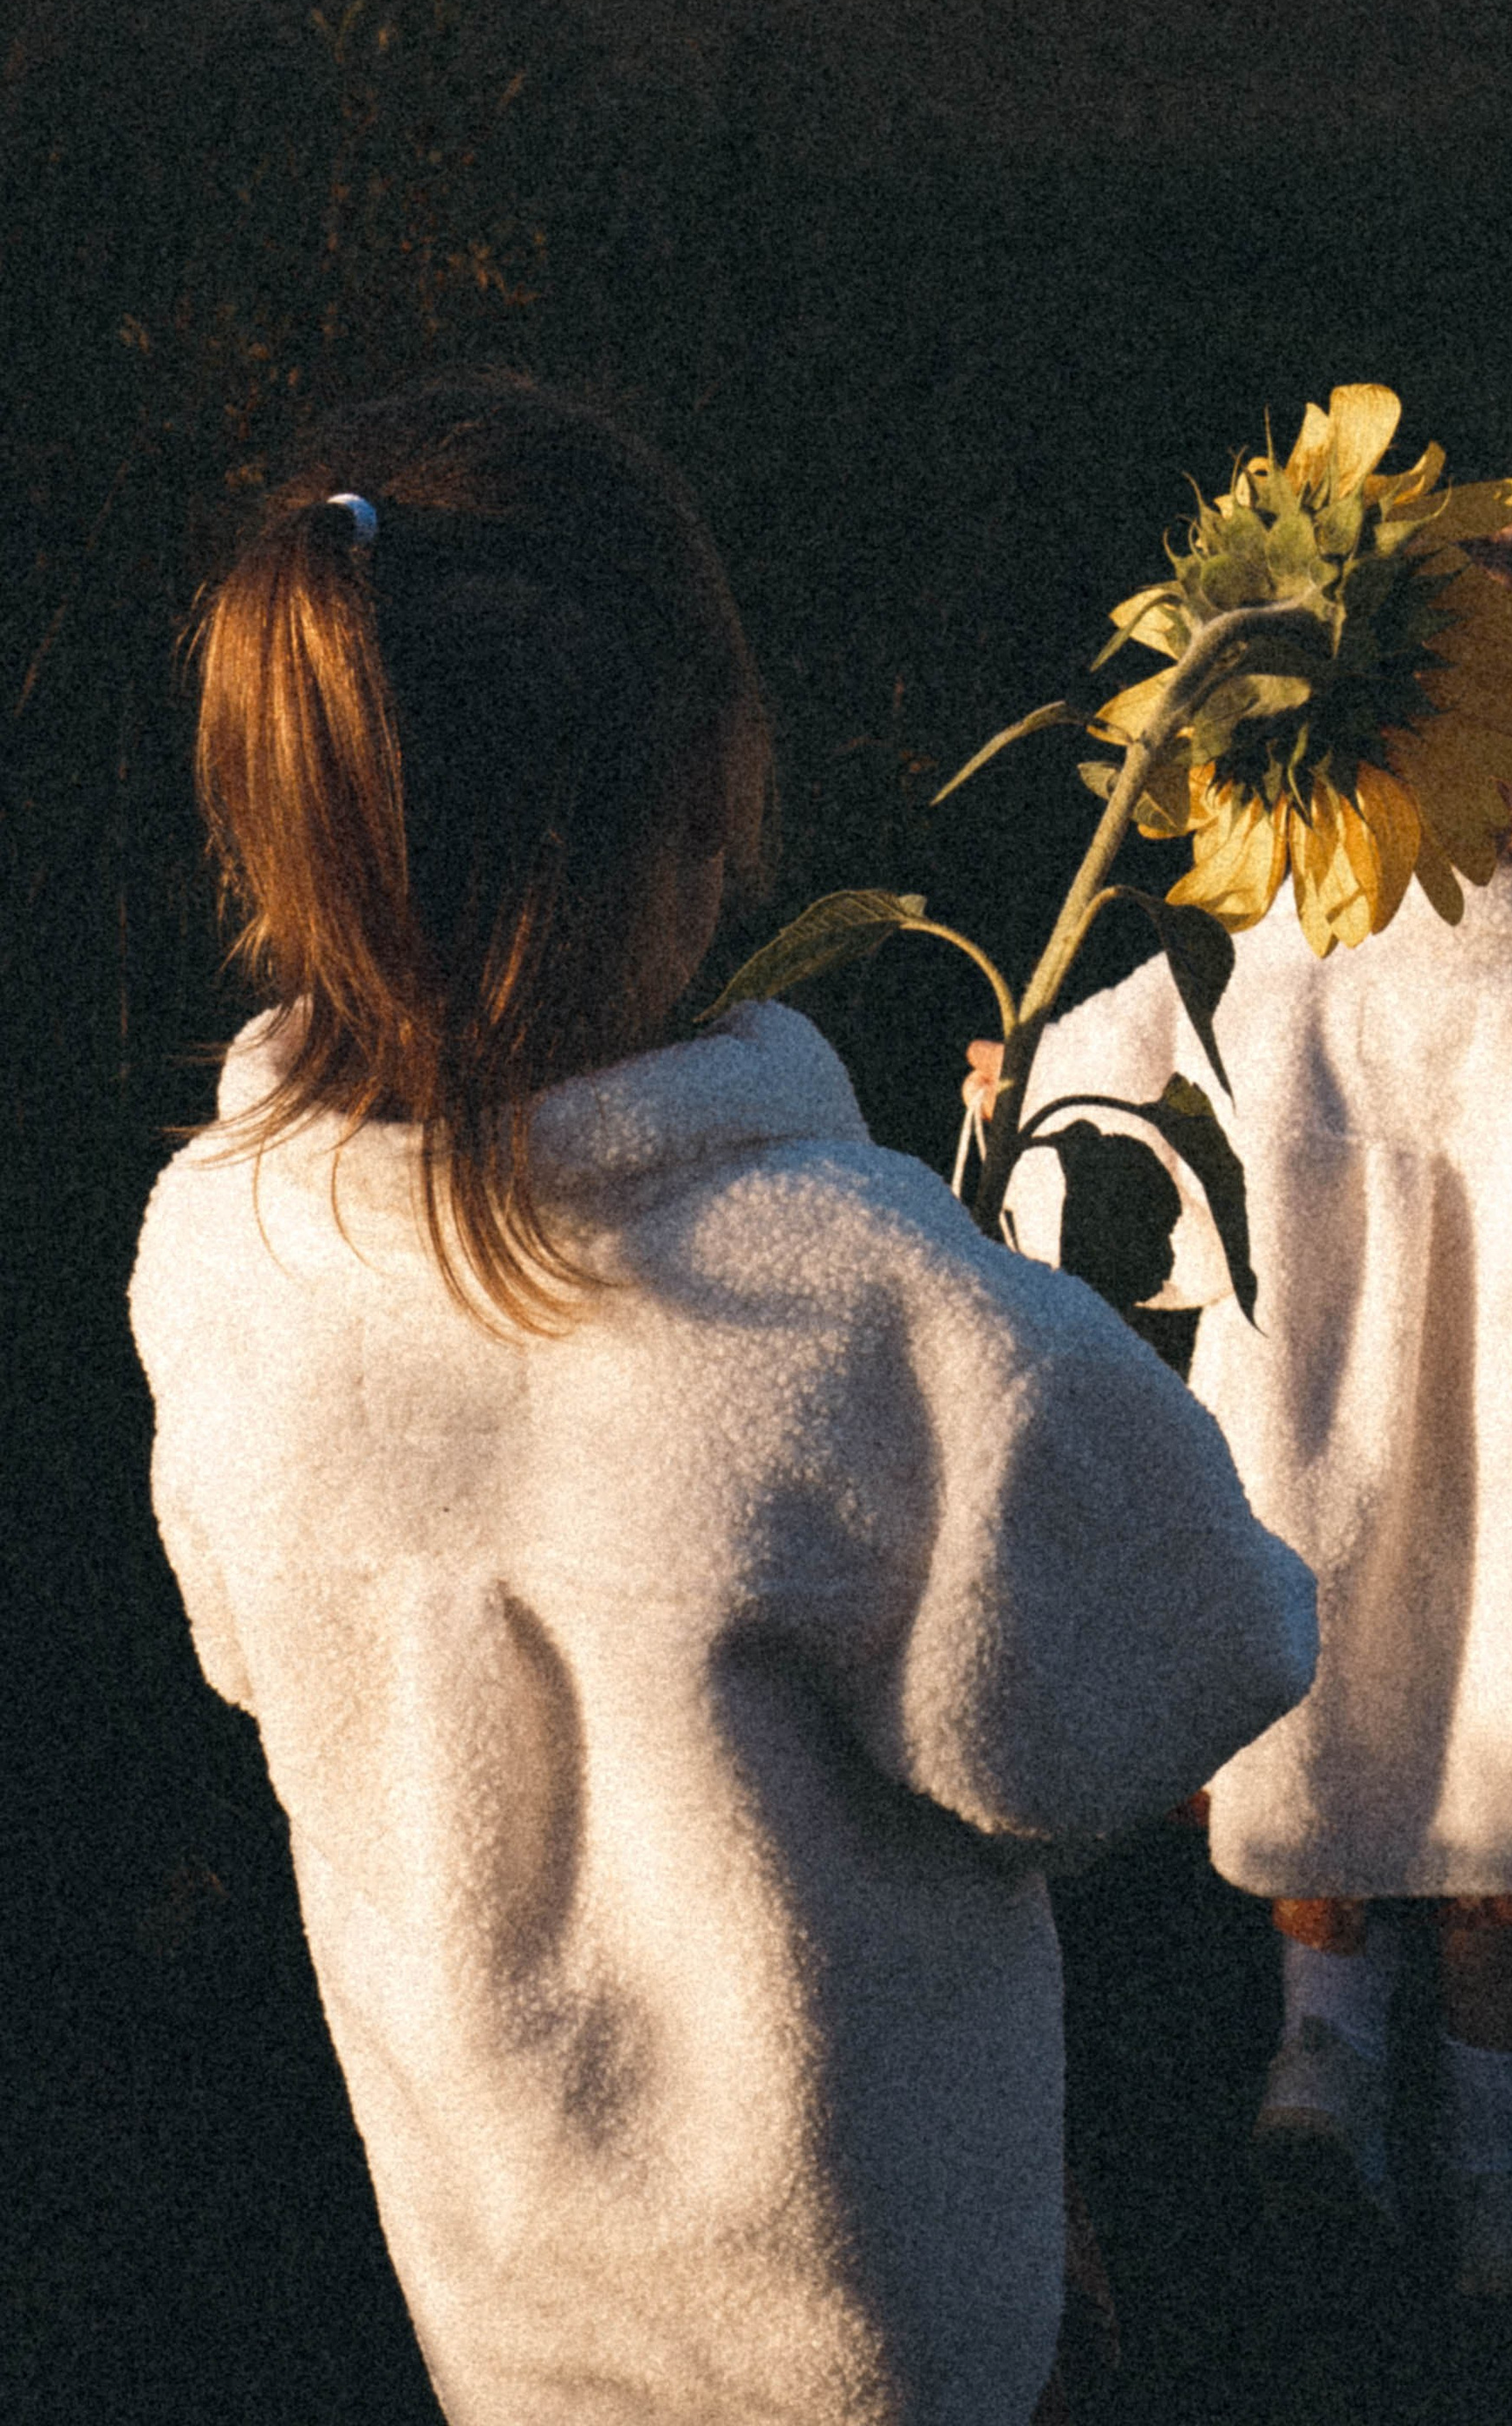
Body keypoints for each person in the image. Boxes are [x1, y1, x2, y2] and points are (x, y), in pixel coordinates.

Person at [130, 372, 1317, 2426]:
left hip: (506, 2306)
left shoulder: (217, 1254)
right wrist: (1025, 1326)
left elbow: (247, 1652)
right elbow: (1180, 1663)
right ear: (714, 788)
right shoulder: (862, 1311)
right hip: (875, 2329)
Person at [1006, 497, 1512, 2299]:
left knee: (1320, 1795)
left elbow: (1073, 1202)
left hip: (1285, 1525)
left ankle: (1317, 2066)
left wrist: (1013, 1099)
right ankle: (1498, 2174)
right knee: (1501, 1865)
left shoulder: (1229, 999)